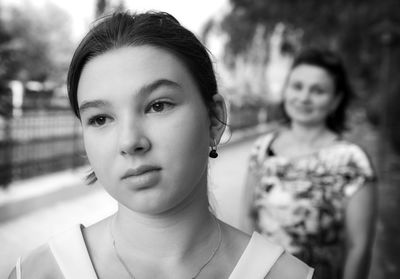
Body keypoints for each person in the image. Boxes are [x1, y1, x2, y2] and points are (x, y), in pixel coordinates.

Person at [8, 11, 313, 279]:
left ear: (215, 120)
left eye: (158, 106)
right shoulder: (39, 272)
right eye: (100, 119)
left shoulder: (287, 274)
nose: (129, 142)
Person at [242, 47, 377, 279]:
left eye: (318, 91)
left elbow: (359, 247)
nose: (304, 97)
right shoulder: (262, 149)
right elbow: (247, 217)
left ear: (335, 101)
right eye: (297, 86)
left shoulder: (352, 161)